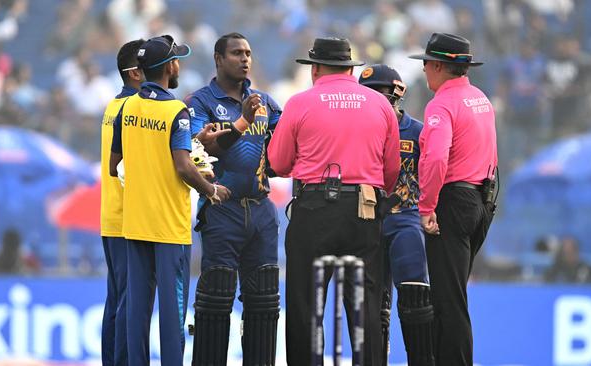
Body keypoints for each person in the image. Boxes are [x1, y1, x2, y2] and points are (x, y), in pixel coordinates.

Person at [268, 37, 400, 366]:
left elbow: (280, 163)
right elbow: (392, 169)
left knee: (305, 308)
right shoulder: (380, 104)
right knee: (364, 308)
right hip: (363, 210)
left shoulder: (300, 103)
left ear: (315, 69)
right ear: (350, 68)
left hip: (313, 210)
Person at [109, 34, 230, 366]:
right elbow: (183, 166)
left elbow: (113, 166)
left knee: (136, 311)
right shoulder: (176, 111)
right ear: (169, 67)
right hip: (168, 229)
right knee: (172, 314)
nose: (179, 64)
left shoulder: (126, 107)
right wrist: (211, 190)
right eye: (177, 59)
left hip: (134, 224)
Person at [184, 32, 281, 365]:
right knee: (216, 299)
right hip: (221, 210)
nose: (245, 59)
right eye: (237, 53)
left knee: (265, 302)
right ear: (218, 58)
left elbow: (283, 152)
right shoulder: (200, 103)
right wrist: (241, 123)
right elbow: (199, 151)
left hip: (262, 210)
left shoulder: (265, 102)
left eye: (249, 53)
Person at [409, 32, 497, 366]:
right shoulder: (480, 99)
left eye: (426, 65)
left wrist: (427, 206)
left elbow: (434, 158)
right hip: (480, 199)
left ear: (436, 65)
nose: (424, 71)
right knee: (452, 295)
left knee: (449, 301)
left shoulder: (442, 104)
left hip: (452, 202)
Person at [358, 64, 434, 366]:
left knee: (415, 298)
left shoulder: (416, 132)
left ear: (395, 95)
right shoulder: (355, 131)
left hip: (406, 220)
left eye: (377, 93)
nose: (371, 101)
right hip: (368, 221)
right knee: (372, 305)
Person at [100, 38, 144, 366]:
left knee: (116, 301)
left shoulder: (112, 106)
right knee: (129, 304)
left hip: (111, 216)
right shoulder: (133, 109)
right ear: (135, 74)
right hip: (128, 219)